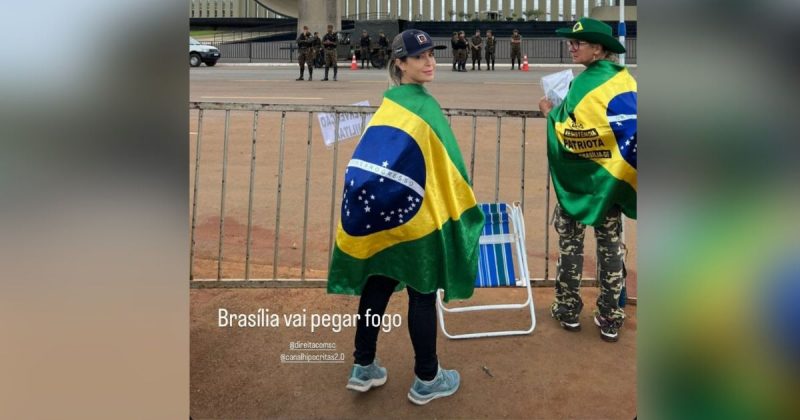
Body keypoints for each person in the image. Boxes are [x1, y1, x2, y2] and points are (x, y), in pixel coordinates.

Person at [327, 29, 484, 405]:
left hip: (379, 216)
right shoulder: (424, 107)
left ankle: (363, 366)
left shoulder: (389, 104)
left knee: (377, 285)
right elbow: (452, 168)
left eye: (431, 54)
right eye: (419, 57)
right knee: (422, 292)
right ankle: (427, 378)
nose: (429, 62)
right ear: (400, 63)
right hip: (416, 221)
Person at [537, 17, 637, 343]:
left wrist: (548, 113)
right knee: (610, 249)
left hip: (579, 185)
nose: (572, 46)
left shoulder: (584, 84)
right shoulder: (625, 81)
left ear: (599, 49)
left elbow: (569, 129)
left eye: (578, 42)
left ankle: (568, 310)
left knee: (571, 247)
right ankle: (610, 317)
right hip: (609, 184)